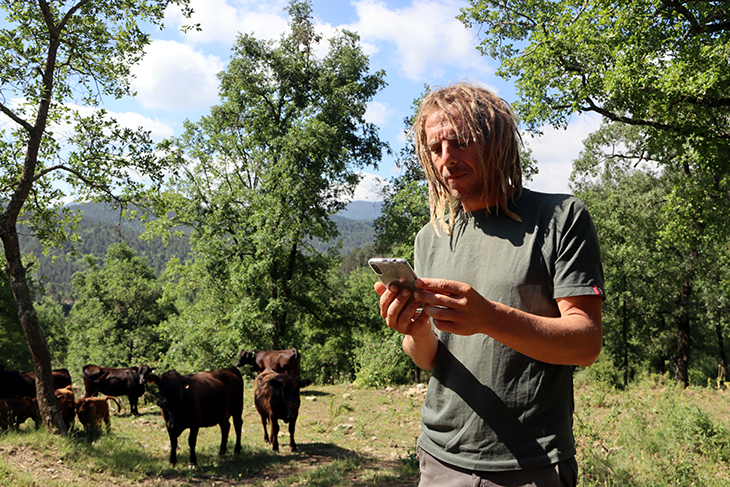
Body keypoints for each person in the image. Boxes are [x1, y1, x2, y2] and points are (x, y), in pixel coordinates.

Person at [375, 82, 605, 487]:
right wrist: (413, 329)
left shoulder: (559, 218)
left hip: (532, 464)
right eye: (435, 148)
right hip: (439, 459)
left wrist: (488, 317)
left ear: (495, 140)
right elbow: (428, 359)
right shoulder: (430, 237)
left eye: (460, 142)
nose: (447, 159)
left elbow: (585, 343)